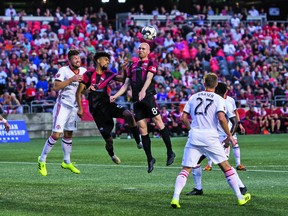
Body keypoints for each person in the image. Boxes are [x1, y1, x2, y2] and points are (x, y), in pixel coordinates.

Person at [170, 73, 251, 208]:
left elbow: (183, 118)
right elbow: (221, 118)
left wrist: (191, 129)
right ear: (216, 84)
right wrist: (229, 135)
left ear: (204, 83)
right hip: (211, 137)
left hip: (194, 136)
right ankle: (239, 197)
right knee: (226, 167)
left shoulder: (194, 97)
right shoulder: (218, 99)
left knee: (186, 169)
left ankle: (175, 198)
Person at [110, 42, 175, 173]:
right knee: (142, 128)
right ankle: (150, 159)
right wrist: (115, 95)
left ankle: (170, 152)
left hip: (148, 97)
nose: (140, 50)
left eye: (143, 48)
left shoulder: (151, 63)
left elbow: (149, 78)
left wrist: (143, 90)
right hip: (136, 100)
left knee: (158, 122)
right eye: (139, 48)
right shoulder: (132, 65)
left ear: (148, 51)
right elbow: (126, 84)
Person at [76, 52, 142, 165]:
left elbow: (123, 79)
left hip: (108, 104)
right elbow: (79, 92)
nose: (108, 61)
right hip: (97, 111)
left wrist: (124, 69)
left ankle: (138, 140)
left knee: (128, 114)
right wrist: (81, 107)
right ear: (98, 61)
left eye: (108, 60)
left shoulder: (108, 73)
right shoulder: (88, 74)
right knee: (109, 141)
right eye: (105, 59)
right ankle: (112, 154)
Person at [186, 82, 248, 196]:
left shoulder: (224, 103)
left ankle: (241, 187)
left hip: (219, 138)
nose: (226, 94)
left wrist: (228, 138)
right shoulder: (216, 100)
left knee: (224, 164)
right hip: (210, 138)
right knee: (198, 161)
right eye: (226, 92)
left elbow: (234, 122)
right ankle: (198, 188)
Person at [37, 50, 86, 176]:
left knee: (69, 134)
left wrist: (89, 89)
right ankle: (42, 159)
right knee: (56, 134)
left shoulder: (84, 71)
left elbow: (83, 91)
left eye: (78, 58)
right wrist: (72, 79)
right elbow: (56, 87)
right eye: (75, 58)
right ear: (69, 60)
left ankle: (67, 161)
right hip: (63, 105)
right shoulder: (63, 70)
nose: (78, 60)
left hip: (74, 107)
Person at [203, 87, 247, 171]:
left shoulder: (230, 101)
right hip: (217, 128)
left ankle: (238, 164)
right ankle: (209, 165)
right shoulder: (215, 100)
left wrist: (239, 124)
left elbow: (235, 112)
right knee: (212, 146)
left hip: (229, 127)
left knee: (235, 144)